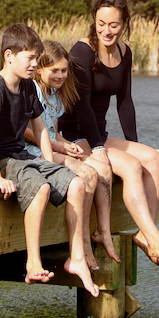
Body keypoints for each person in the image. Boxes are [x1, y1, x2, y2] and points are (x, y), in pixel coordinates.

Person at [0, 23, 100, 294]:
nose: (33, 64)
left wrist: (51, 163)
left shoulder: (28, 86)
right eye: (29, 58)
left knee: (76, 183)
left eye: (35, 58)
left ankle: (76, 259)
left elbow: (40, 128)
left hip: (21, 157)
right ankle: (32, 263)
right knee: (40, 187)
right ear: (9, 56)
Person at [60, 0, 159, 268]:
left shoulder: (124, 52)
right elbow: (81, 106)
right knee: (131, 167)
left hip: (99, 134)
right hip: (75, 135)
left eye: (114, 25)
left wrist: (134, 144)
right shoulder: (81, 52)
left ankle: (145, 233)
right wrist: (97, 148)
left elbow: (125, 102)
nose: (107, 30)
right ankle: (156, 238)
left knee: (152, 159)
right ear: (94, 22)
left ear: (124, 24)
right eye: (101, 23)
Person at [27, 39, 120, 270]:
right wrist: (58, 147)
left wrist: (67, 144)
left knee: (104, 170)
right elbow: (26, 132)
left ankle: (102, 231)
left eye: (64, 70)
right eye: (54, 71)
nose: (60, 76)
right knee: (87, 173)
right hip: (35, 151)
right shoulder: (33, 91)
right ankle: (82, 245)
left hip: (53, 146)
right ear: (39, 69)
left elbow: (54, 132)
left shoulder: (57, 94)